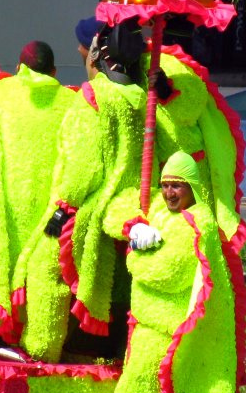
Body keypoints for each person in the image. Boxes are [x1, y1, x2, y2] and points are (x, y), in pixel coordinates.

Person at [70, 151, 244, 393]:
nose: (168, 192)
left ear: (192, 187)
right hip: (144, 330)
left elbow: (165, 272)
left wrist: (134, 254)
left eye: (176, 185)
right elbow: (115, 205)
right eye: (165, 185)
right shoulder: (161, 214)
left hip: (164, 336)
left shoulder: (198, 224)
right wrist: (134, 225)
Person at [13, 18, 153, 362]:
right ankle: (108, 353)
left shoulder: (94, 97)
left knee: (45, 268)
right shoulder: (143, 99)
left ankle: (42, 352)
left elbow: (83, 166)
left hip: (89, 211)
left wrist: (62, 209)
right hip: (130, 206)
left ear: (97, 54)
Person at [0, 40, 77, 346]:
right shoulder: (70, 103)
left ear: (19, 68)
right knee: (39, 272)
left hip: (2, 199)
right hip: (48, 208)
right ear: (54, 71)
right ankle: (34, 340)